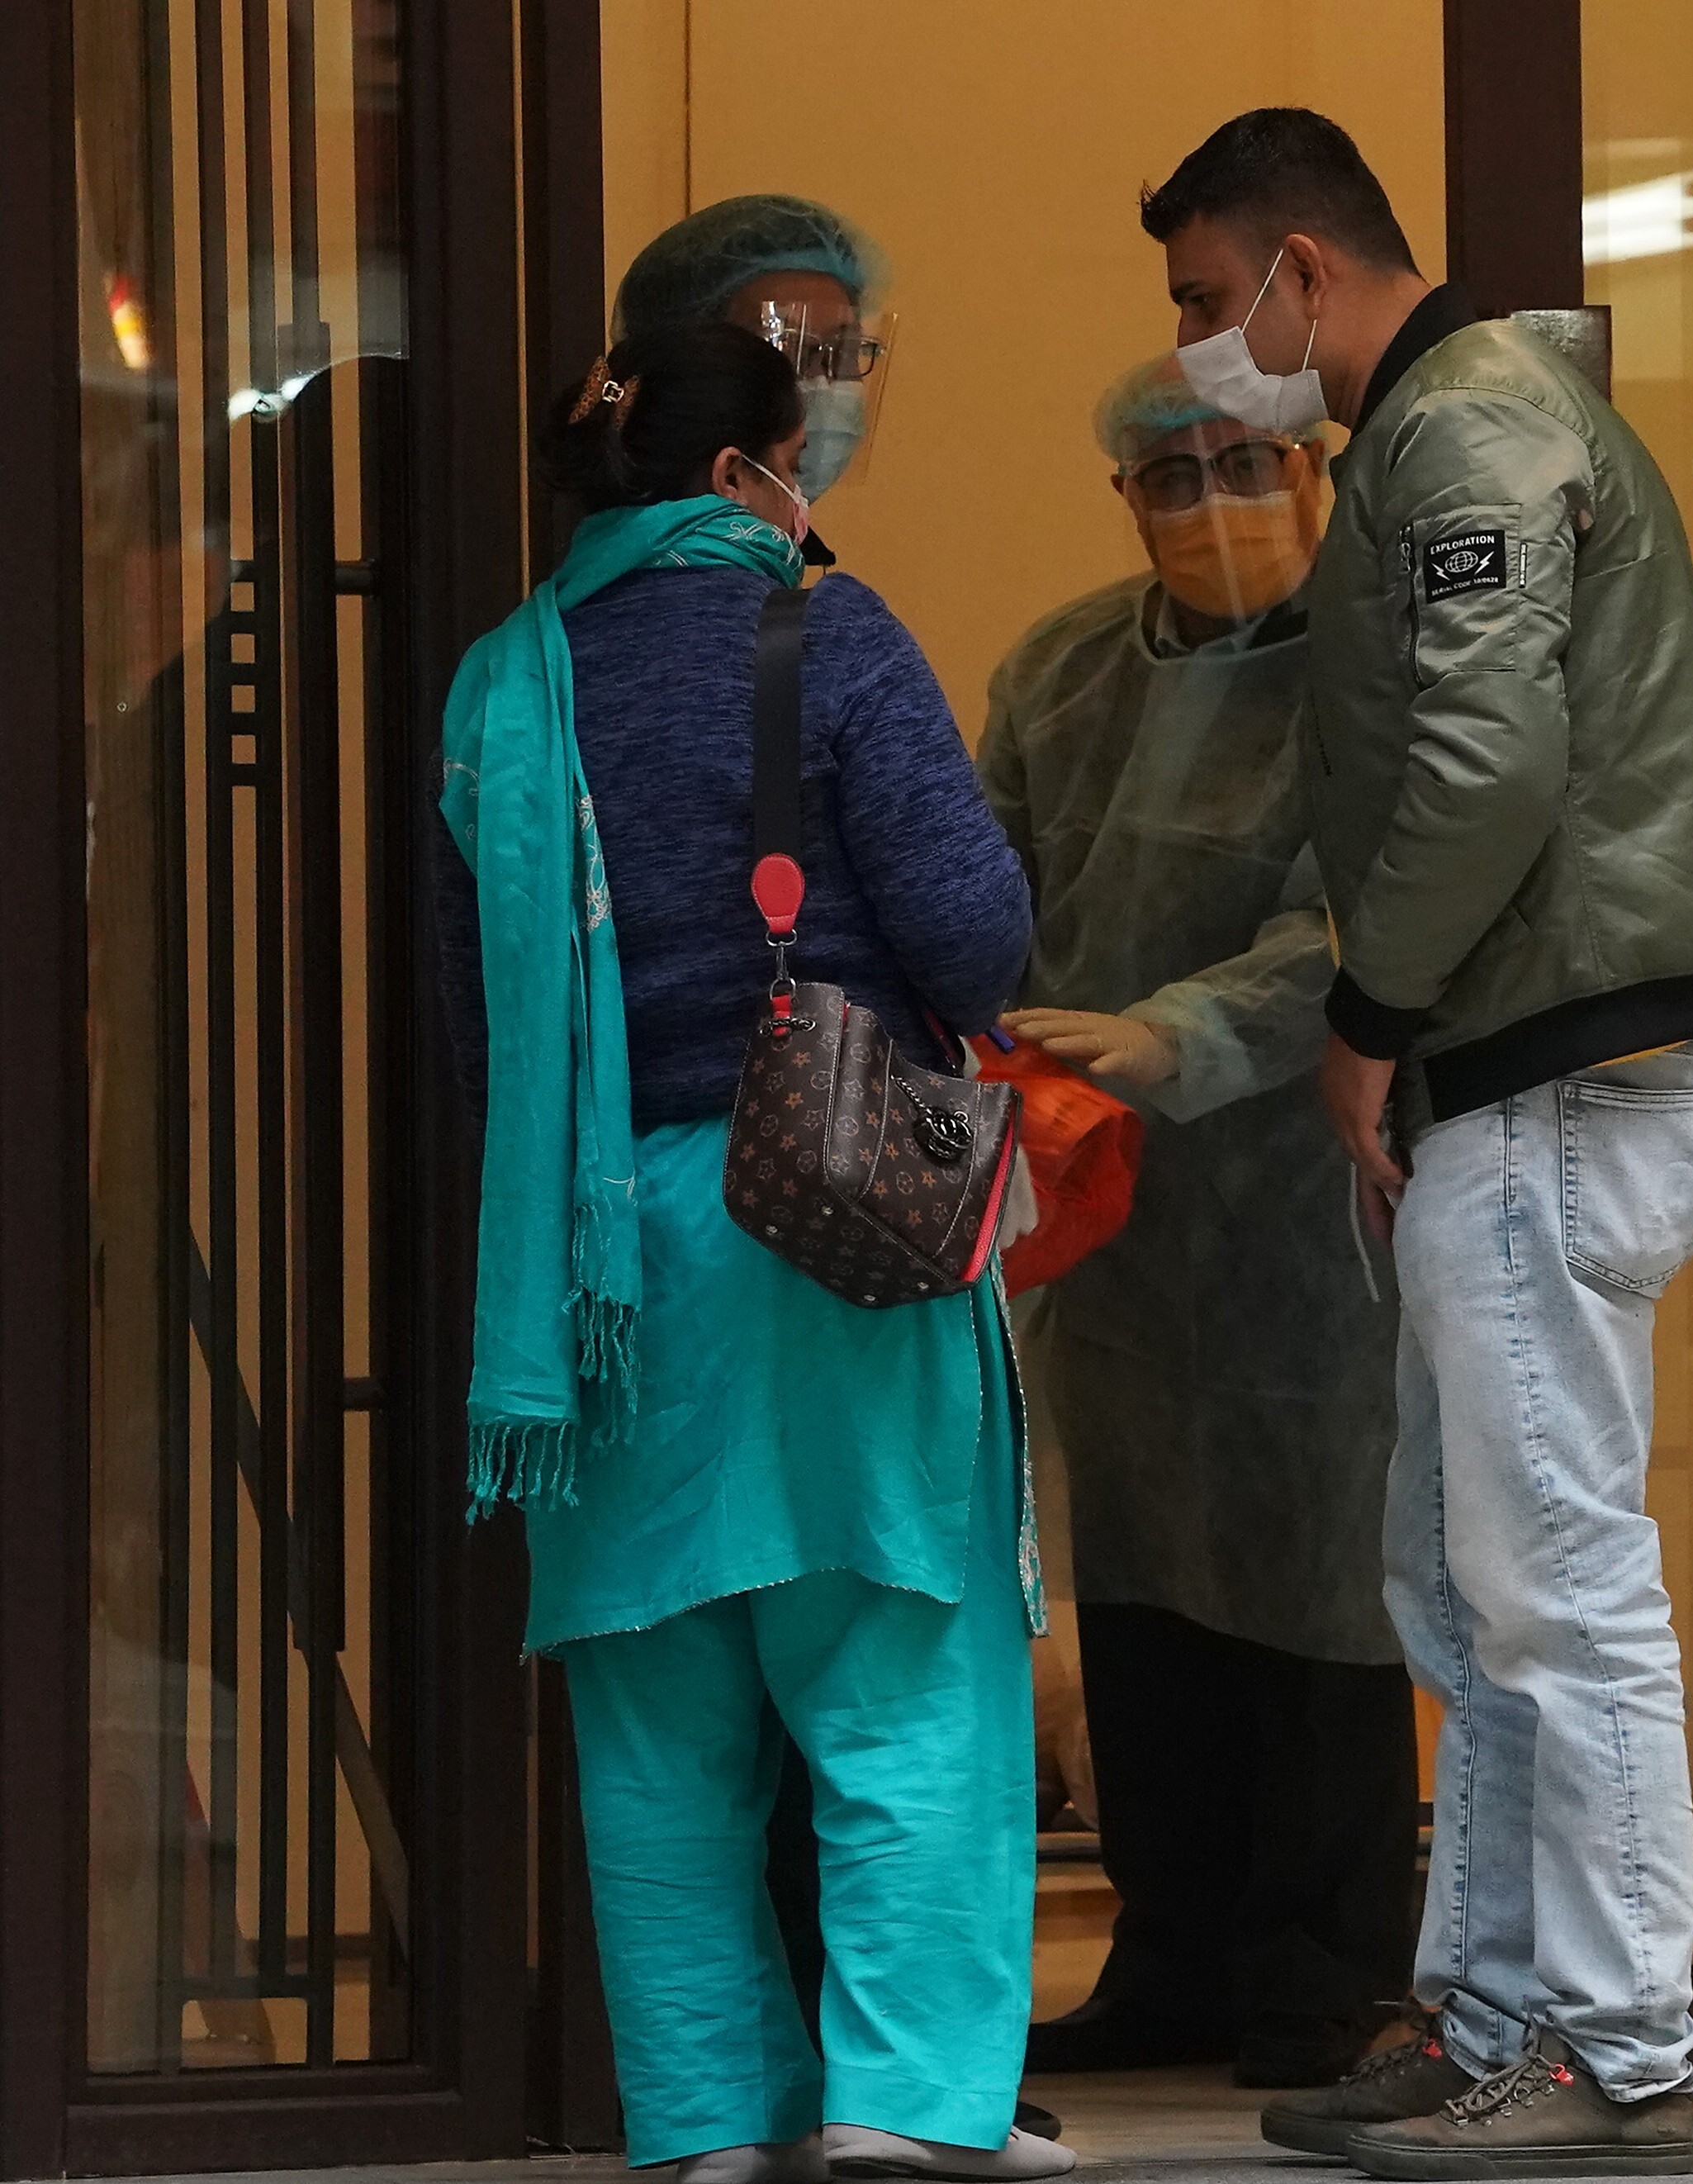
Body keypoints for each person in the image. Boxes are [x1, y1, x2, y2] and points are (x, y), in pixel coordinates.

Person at [1143, 107, 1693, 2181]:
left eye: (1199, 299)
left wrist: (1365, 1010)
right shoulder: (1457, 423)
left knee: (1551, 1577)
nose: (1195, 351)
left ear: (1300, 275)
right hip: (1515, 1065)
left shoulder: (1465, 424)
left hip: (1543, 1063)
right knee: (1459, 1573)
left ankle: (1613, 2043)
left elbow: (1488, 754)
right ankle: (1501, 2012)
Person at [433, 320, 1064, 2184]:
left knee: (656, 1708)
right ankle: (905, 2105)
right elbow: (972, 940)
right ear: (739, 478)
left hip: (601, 1266)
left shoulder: (500, 689)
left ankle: (712, 2123)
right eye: (807, 451)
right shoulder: (828, 635)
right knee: (898, 1669)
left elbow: (473, 1032)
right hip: (832, 1217)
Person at [982, 354, 1416, 2091]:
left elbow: (1367, 916)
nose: (1217, 504)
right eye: (1178, 477)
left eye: (1253, 466)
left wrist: (1182, 1031)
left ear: (1316, 472)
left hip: (1305, 1206)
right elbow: (980, 885)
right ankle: (1168, 1954)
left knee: (1319, 1590)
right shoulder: (1060, 671)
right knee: (1149, 1581)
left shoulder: (1372, 673)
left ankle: (1318, 1980)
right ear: (1126, 497)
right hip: (1110, 1203)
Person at [615, 194, 894, 517]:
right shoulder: (668, 560)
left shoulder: (756, 551)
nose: (823, 384)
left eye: (844, 351)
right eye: (785, 349)